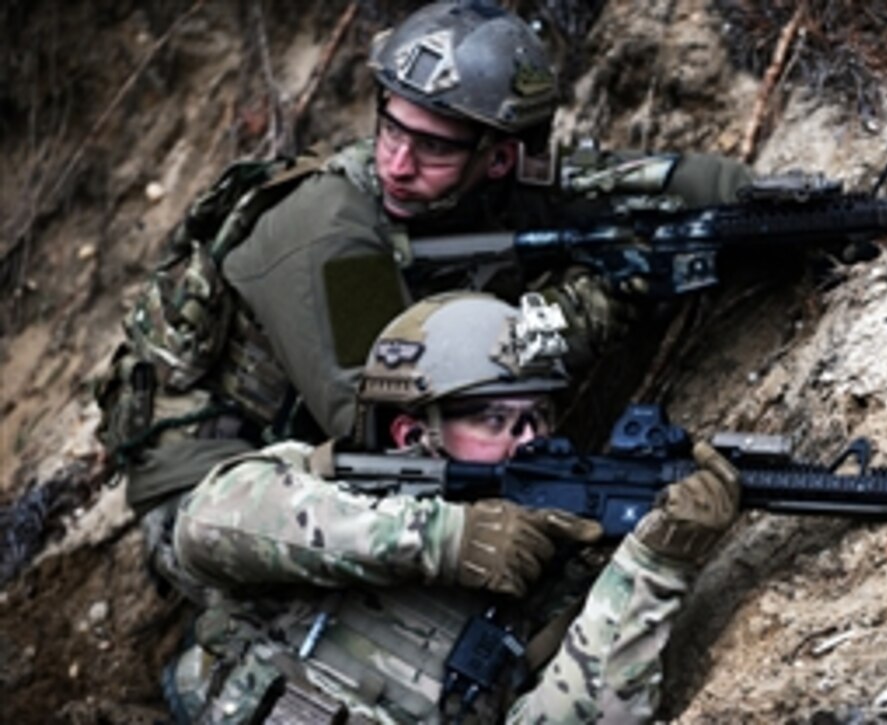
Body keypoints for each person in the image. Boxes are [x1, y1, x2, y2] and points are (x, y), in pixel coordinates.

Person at [99, 0, 751, 595]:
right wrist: (589, 306)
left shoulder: (484, 175)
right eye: (391, 129)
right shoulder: (331, 223)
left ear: (498, 157)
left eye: (432, 146)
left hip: (331, 449)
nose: (398, 163)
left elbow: (622, 182)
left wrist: (754, 201)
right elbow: (385, 418)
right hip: (221, 504)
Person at [165, 291, 742, 723]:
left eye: (538, 416)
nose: (528, 440)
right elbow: (204, 524)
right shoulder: (327, 482)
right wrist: (446, 537)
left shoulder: (557, 575)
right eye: (496, 419)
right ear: (411, 434)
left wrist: (649, 567)